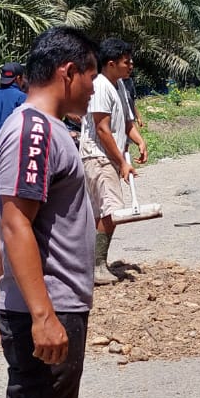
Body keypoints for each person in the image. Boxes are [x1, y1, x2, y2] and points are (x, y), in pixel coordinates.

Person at [0, 26, 114, 398]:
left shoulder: (46, 129)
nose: (92, 87)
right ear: (68, 72)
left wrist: (2, 290)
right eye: (90, 76)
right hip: (50, 305)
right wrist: (39, 314)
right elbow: (15, 222)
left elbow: (6, 223)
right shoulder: (34, 131)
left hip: (54, 302)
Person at [79, 39, 147, 285]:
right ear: (111, 64)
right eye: (126, 62)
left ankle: (92, 264)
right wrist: (122, 162)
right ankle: (96, 267)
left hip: (107, 157)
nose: (131, 66)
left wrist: (139, 141)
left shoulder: (119, 86)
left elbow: (127, 123)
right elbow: (102, 129)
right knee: (111, 210)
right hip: (98, 155)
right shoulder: (100, 87)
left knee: (102, 212)